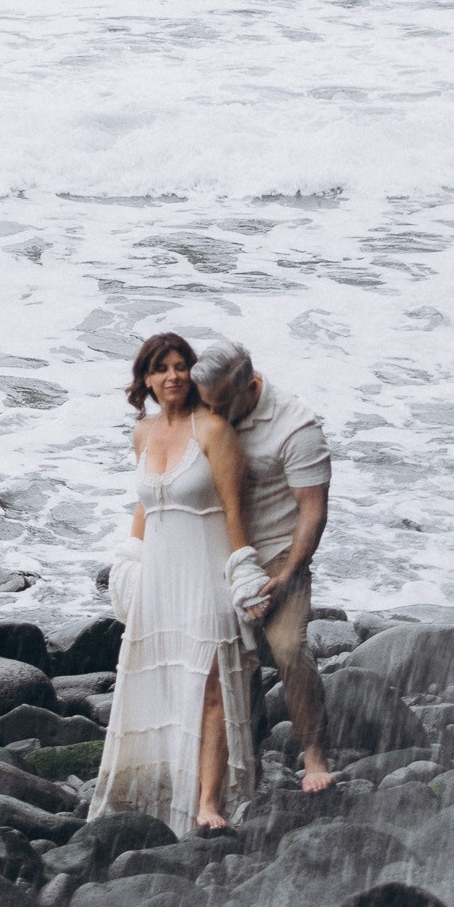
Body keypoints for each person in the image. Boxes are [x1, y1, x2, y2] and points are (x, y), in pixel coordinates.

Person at [90, 330, 269, 834]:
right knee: (166, 680)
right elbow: (146, 505)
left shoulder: (213, 430)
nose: (172, 376)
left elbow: (235, 512)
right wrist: (129, 560)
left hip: (207, 575)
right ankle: (169, 785)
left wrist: (244, 576)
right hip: (160, 578)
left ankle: (208, 801)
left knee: (212, 684)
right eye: (161, 368)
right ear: (145, 379)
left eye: (180, 366)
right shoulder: (143, 434)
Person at [190, 337, 334, 794]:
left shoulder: (296, 427)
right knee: (228, 659)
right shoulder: (206, 410)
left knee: (288, 648)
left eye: (221, 404)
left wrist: (290, 574)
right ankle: (241, 763)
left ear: (250, 385)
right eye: (206, 404)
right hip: (219, 551)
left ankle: (314, 753)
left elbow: (313, 510)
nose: (213, 414)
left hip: (277, 554)